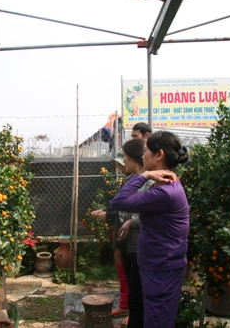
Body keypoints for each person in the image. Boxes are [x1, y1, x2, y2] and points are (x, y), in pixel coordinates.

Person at [111, 131, 189, 328]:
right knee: (156, 317)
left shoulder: (164, 192)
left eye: (146, 151)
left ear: (159, 155)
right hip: (159, 265)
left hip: (162, 267)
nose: (142, 155)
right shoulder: (162, 185)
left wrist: (144, 175)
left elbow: (119, 201)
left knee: (157, 321)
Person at [92, 140, 152, 327]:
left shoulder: (151, 182)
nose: (123, 161)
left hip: (141, 247)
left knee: (139, 295)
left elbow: (153, 213)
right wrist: (118, 245)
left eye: (125, 156)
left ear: (135, 157)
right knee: (134, 292)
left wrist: (131, 221)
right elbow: (119, 209)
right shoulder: (131, 180)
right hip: (127, 244)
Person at [91, 150, 130, 318]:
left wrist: (108, 215)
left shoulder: (136, 181)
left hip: (127, 236)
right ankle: (125, 305)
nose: (119, 166)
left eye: (122, 163)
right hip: (121, 232)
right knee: (123, 272)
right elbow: (119, 205)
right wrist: (106, 210)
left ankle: (128, 307)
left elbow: (128, 211)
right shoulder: (128, 181)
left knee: (128, 274)